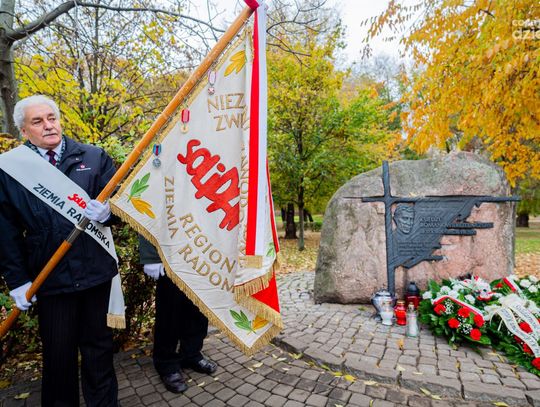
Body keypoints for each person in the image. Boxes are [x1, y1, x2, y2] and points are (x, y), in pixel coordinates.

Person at [0, 95, 119, 406]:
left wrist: (109, 213)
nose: (48, 125)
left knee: (99, 351)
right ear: (24, 130)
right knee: (58, 356)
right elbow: (5, 232)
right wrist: (18, 281)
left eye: (51, 117)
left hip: (95, 273)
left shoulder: (94, 156)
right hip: (50, 278)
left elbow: (122, 203)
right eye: (37, 121)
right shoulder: (10, 169)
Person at [139, 236, 217, 393]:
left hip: (202, 253)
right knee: (169, 314)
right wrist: (151, 256)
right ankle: (166, 363)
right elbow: (150, 219)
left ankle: (191, 354)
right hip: (171, 253)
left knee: (198, 311)